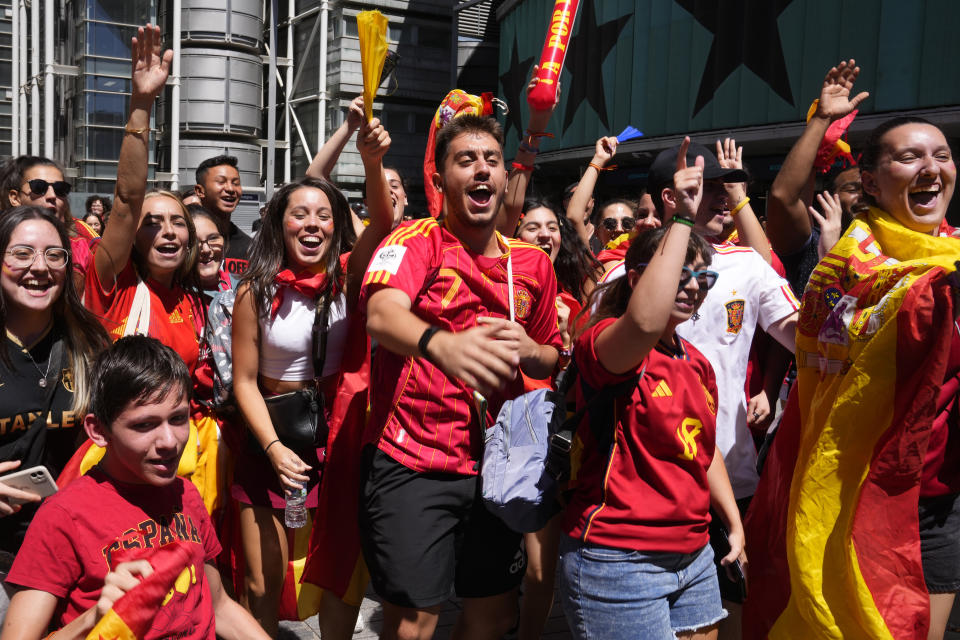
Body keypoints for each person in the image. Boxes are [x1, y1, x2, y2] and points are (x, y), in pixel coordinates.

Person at [744, 116, 960, 640]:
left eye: (942, 155)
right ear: (869, 180)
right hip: (852, 494)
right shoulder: (846, 266)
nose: (931, 168)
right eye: (909, 157)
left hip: (934, 499)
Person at [359, 114, 562, 640]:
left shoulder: (533, 265)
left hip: (500, 467)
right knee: (413, 625)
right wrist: (441, 345)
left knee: (494, 616)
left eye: (491, 160)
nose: (481, 170)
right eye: (466, 160)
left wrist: (531, 349)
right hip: (414, 460)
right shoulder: (416, 241)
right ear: (442, 178)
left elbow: (552, 357)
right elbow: (381, 315)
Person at [559, 155, 745, 637]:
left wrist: (732, 520)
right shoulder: (604, 340)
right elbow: (643, 321)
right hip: (618, 557)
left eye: (704, 278)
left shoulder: (697, 363)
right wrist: (682, 216)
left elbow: (703, 451)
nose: (693, 287)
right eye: (681, 273)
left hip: (695, 552)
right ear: (638, 278)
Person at [230, 116, 394, 636]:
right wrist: (275, 448)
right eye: (299, 214)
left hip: (335, 439)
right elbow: (243, 382)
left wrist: (372, 161)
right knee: (263, 581)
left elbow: (384, 226)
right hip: (266, 439)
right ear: (280, 224)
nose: (312, 224)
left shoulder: (349, 276)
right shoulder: (253, 291)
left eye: (324, 215)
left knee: (337, 572)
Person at [0, 336, 269, 640]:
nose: (169, 441)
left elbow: (219, 605)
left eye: (178, 419)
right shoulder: (63, 516)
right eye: (144, 425)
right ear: (98, 431)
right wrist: (93, 619)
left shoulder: (186, 494)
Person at [0, 206, 111, 575]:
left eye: (54, 255)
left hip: (68, 549)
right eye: (21, 253)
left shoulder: (90, 344)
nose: (40, 267)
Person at [766, 59, 871, 294]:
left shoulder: (895, 246)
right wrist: (822, 119)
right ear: (828, 198)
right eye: (853, 189)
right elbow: (783, 196)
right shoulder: (809, 245)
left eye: (869, 188)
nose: (864, 196)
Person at [0, 156, 95, 292]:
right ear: (15, 198)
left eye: (60, 189)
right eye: (39, 187)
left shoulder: (81, 250)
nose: (52, 195)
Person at [194, 155, 249, 275]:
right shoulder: (184, 239)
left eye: (236, 183)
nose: (230, 188)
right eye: (221, 182)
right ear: (199, 191)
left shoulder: (250, 248)